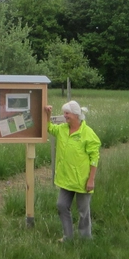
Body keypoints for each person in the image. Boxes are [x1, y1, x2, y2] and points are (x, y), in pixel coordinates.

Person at [44, 100, 101, 241]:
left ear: (76, 115)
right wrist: (48, 114)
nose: (65, 116)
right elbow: (49, 128)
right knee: (61, 205)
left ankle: (85, 238)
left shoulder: (88, 133)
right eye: (64, 113)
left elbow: (94, 158)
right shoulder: (62, 129)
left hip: (82, 180)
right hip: (66, 179)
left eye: (67, 113)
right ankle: (67, 237)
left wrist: (91, 179)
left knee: (83, 211)